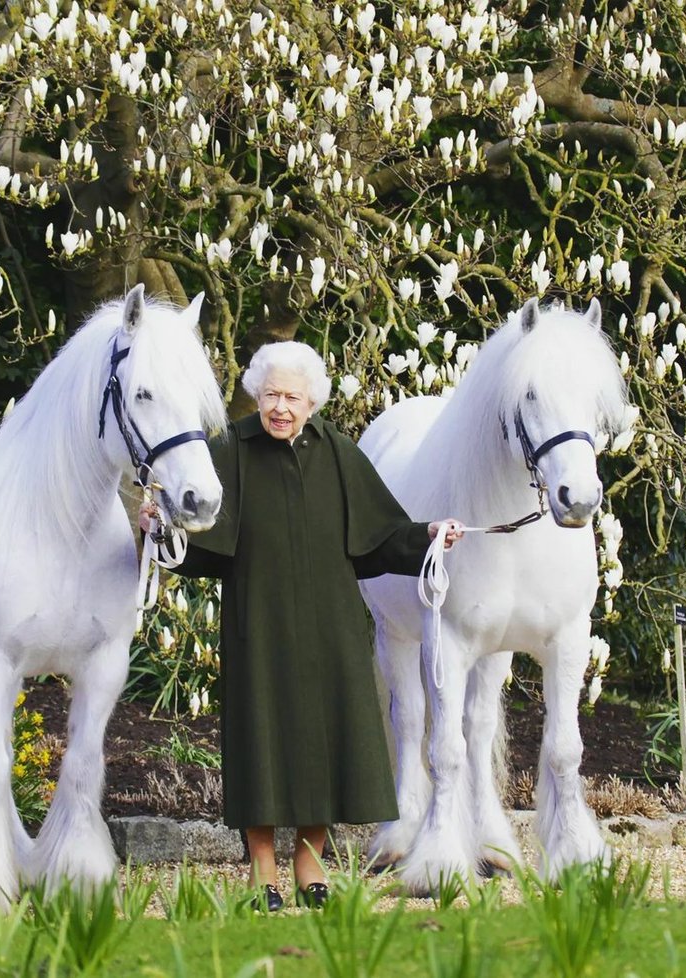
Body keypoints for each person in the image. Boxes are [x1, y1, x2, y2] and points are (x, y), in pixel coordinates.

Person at [139, 341, 462, 911]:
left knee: (326, 742)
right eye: (269, 395)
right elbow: (195, 540)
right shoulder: (231, 450)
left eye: (291, 396)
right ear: (255, 397)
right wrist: (158, 527)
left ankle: (309, 856)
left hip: (330, 626)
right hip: (256, 624)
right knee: (261, 739)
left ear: (312, 401)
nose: (280, 407)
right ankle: (262, 862)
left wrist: (431, 534)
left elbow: (382, 535)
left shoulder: (338, 452)